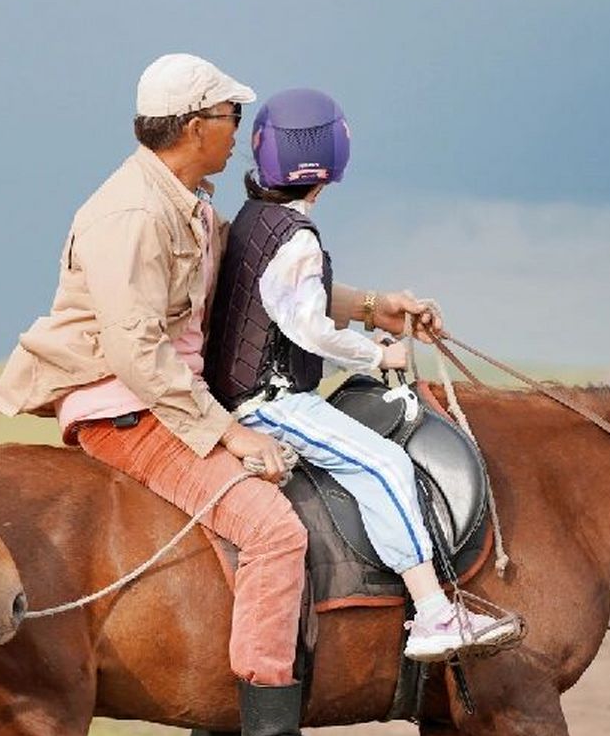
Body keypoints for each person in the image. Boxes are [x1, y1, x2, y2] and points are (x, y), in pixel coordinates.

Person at [0, 53, 433, 736]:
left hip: (166, 396)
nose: (240, 136)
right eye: (230, 120)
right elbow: (135, 353)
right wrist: (227, 434)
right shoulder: (132, 215)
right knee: (269, 533)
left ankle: (215, 719)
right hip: (129, 405)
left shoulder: (185, 200)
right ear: (196, 126)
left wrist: (372, 307)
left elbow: (265, 283)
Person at [204, 87, 522, 662]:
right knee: (385, 463)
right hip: (271, 403)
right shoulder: (297, 238)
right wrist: (378, 357)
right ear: (332, 166)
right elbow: (308, 329)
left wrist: (373, 317)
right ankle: (431, 613)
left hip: (251, 391)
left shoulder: (254, 221)